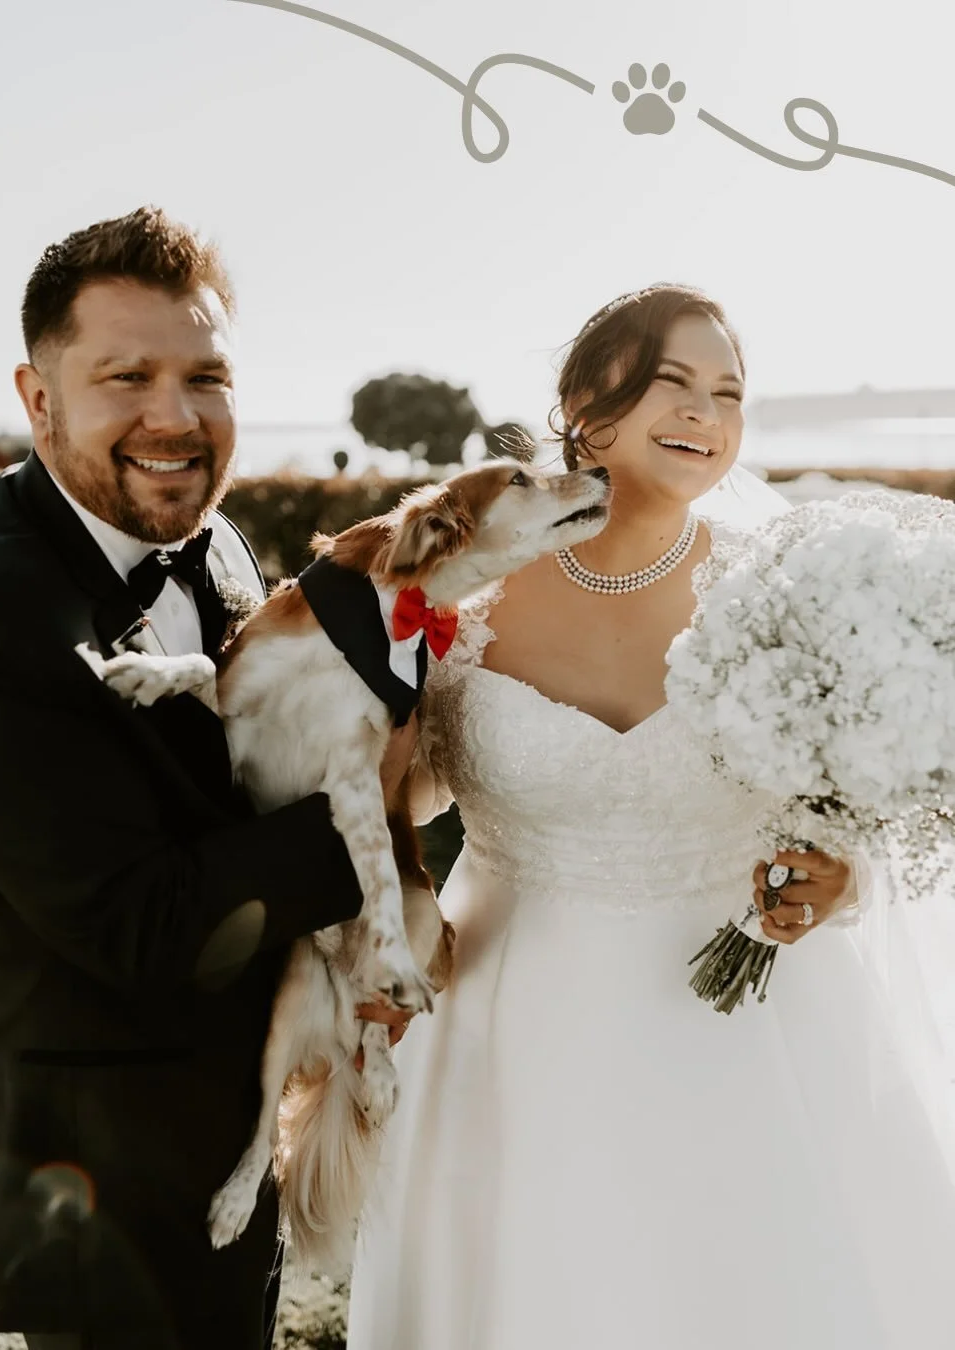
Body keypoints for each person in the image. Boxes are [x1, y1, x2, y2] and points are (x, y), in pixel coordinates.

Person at [346, 284, 955, 1349]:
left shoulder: (783, 587)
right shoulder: (461, 588)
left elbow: (858, 787)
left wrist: (839, 874)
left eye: (729, 394)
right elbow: (410, 793)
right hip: (514, 1030)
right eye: (674, 383)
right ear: (586, 403)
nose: (705, 415)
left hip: (754, 1038)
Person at [0, 205, 412, 1350]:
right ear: (38, 398)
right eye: (127, 377)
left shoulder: (213, 542)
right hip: (95, 1180)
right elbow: (138, 921)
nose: (175, 418)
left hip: (230, 1130)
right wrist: (392, 800)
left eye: (205, 377)